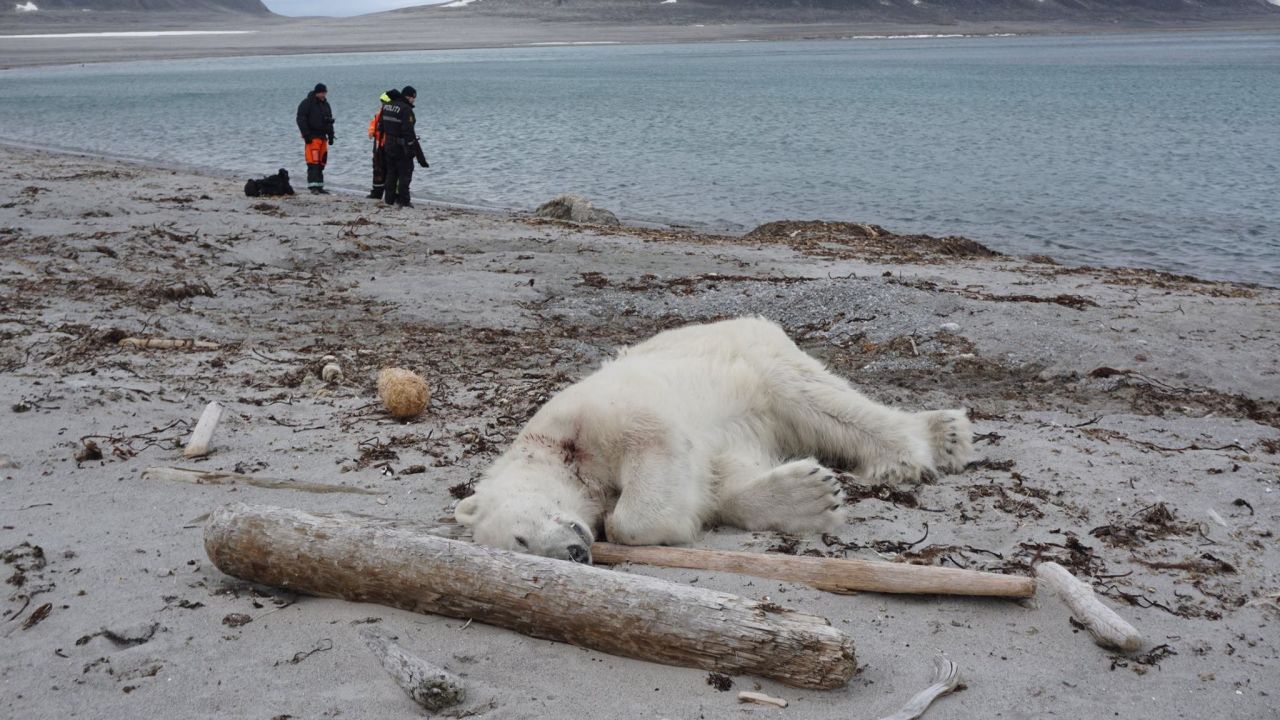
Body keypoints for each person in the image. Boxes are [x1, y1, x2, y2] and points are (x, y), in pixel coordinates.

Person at [378, 85, 428, 208]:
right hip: (401, 146)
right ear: (408, 96)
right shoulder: (406, 110)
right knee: (405, 174)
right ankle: (404, 201)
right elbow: (408, 131)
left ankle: (389, 200)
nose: (413, 101)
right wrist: (411, 149)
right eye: (413, 98)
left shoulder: (387, 106)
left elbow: (381, 126)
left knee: (391, 173)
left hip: (388, 144)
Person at [296, 83, 335, 195]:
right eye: (322, 92)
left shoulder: (326, 104)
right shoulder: (307, 103)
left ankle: (319, 186)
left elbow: (329, 120)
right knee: (313, 162)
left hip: (323, 138)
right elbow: (301, 119)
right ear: (317, 92)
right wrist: (306, 135)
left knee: (322, 162)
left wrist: (331, 135)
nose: (324, 94)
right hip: (312, 137)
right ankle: (313, 187)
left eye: (325, 92)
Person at [366, 89, 400, 199]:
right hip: (380, 145)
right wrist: (371, 132)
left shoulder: (393, 112)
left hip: (389, 145)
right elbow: (373, 124)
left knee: (390, 170)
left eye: (384, 102)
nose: (383, 104)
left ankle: (391, 194)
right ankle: (377, 192)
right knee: (378, 170)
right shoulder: (380, 113)